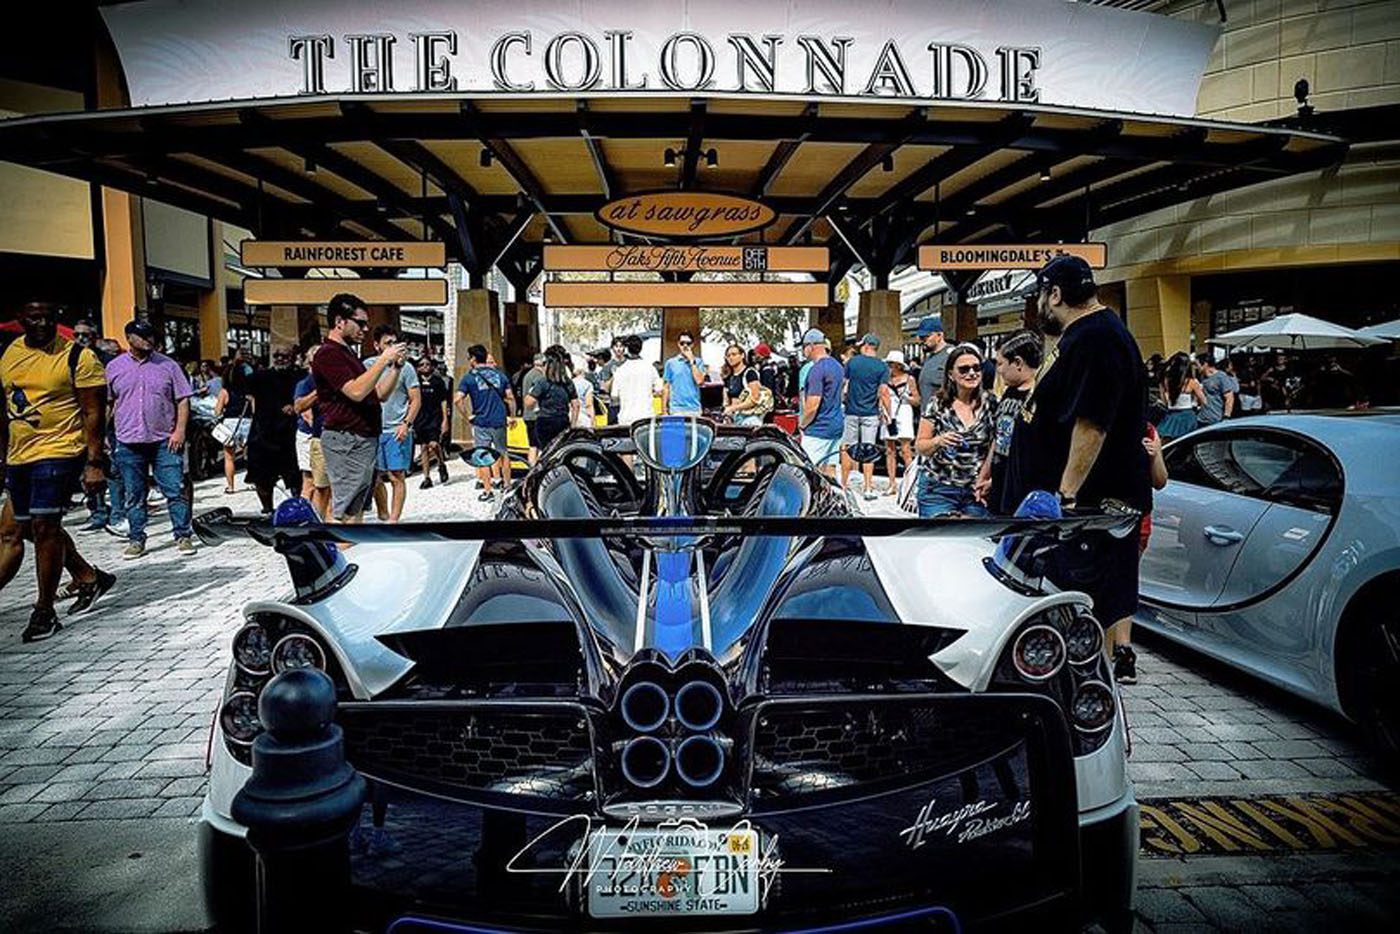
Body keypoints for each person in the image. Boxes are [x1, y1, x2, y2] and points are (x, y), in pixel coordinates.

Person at [1002, 255, 1152, 683]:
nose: (1039, 307)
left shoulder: (1097, 338)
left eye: (1040, 297)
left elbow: (1092, 424)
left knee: (1074, 620)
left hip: (1083, 515)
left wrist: (1065, 497)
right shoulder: (1085, 335)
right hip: (1070, 515)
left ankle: (1076, 696)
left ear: (1055, 294)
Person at [0, 301, 115, 641]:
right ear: (22, 319)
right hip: (20, 455)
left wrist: (95, 463)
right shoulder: (10, 354)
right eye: (34, 317)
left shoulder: (79, 357)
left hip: (61, 450)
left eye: (49, 317)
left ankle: (44, 611)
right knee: (13, 530)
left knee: (44, 526)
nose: (43, 323)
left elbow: (94, 412)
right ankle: (87, 576)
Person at [106, 318, 197, 558]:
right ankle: (137, 539)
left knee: (175, 489)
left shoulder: (168, 366)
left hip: (164, 440)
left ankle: (183, 535)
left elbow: (183, 400)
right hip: (127, 440)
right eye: (143, 336)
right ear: (129, 338)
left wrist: (180, 431)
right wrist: (105, 435)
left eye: (152, 336)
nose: (149, 340)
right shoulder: (114, 367)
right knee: (134, 494)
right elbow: (109, 402)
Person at [311, 293, 406, 524]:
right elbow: (355, 391)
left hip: (360, 440)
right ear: (339, 321)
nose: (365, 329)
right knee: (347, 515)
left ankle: (347, 554)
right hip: (347, 440)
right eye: (360, 323)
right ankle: (340, 555)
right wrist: (383, 359)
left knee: (355, 510)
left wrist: (394, 368)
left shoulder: (347, 354)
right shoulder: (328, 354)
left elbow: (378, 395)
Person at [1111, 422, 1170, 684]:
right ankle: (1109, 651)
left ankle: (1122, 651)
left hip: (1136, 519)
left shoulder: (1147, 430)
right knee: (1107, 585)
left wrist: (1155, 454)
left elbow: (1160, 481)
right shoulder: (1099, 422)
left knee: (1124, 583)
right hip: (1103, 515)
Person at [915, 344, 996, 517]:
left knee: (976, 543)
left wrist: (988, 478)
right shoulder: (937, 403)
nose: (972, 373)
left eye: (976, 368)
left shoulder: (991, 403)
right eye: (964, 369)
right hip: (938, 490)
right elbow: (920, 446)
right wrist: (938, 441)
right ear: (951, 374)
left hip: (976, 492)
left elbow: (996, 444)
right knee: (938, 542)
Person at [980, 330, 1042, 514]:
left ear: (1017, 363)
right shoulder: (1009, 392)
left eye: (1000, 363)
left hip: (1022, 490)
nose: (997, 370)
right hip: (1000, 484)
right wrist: (986, 473)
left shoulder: (1039, 398)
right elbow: (999, 438)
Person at [364, 324, 420, 523]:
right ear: (377, 345)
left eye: (395, 343)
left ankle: (394, 519)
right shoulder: (367, 365)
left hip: (396, 429)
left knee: (397, 476)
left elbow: (415, 399)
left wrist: (406, 423)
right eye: (388, 343)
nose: (393, 347)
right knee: (374, 476)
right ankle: (383, 513)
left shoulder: (407, 368)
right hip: (373, 430)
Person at [244, 345, 304, 515]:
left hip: (291, 435)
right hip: (263, 434)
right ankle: (268, 510)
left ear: (292, 357)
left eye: (284, 356)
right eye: (276, 355)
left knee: (296, 478)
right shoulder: (260, 377)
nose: (279, 359)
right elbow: (240, 383)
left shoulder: (300, 376)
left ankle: (299, 509)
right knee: (261, 478)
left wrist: (296, 406)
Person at [455, 343, 515, 501]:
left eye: (469, 358)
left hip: (481, 421)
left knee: (482, 456)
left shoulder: (469, 378)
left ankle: (488, 491)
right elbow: (510, 398)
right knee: (503, 453)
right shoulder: (500, 376)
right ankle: (507, 486)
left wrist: (467, 416)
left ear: (473, 359)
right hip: (499, 420)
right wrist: (513, 416)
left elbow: (457, 399)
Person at [841, 333, 892, 499]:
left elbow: (844, 385)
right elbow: (884, 392)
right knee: (868, 450)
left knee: (848, 447)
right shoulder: (882, 366)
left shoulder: (852, 362)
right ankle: (868, 487)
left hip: (851, 411)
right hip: (870, 413)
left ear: (867, 345)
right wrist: (888, 414)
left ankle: (843, 484)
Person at [797, 328, 844, 479]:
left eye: (803, 347)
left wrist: (802, 424)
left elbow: (812, 406)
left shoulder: (816, 369)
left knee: (806, 471)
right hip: (836, 424)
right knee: (830, 468)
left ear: (811, 346)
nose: (803, 351)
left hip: (818, 429)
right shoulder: (837, 366)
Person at [292, 347, 330, 519]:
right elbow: (302, 410)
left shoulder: (329, 379)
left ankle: (323, 518)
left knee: (325, 486)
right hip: (309, 437)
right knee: (310, 481)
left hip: (323, 436)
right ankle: (306, 517)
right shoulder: (306, 383)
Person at [526, 345, 579, 450]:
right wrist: (573, 425)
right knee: (561, 449)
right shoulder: (568, 382)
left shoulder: (542, 382)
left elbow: (529, 403)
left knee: (546, 451)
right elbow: (576, 405)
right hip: (562, 420)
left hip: (545, 421)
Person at [882, 350, 917, 497]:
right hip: (888, 414)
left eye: (891, 364)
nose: (889, 367)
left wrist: (906, 398)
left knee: (906, 450)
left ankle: (910, 483)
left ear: (898, 365)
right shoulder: (885, 379)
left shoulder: (909, 379)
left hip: (903, 412)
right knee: (890, 450)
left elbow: (917, 400)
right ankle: (892, 484)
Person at [412, 356, 450, 489]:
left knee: (434, 444)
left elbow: (443, 401)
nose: (425, 366)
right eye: (422, 364)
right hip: (420, 418)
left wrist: (445, 419)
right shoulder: (415, 381)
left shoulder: (438, 381)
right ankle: (427, 477)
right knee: (423, 447)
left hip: (435, 417)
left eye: (427, 364)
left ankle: (441, 463)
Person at [213, 362, 251, 494]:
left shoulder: (224, 392)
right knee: (249, 455)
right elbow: (255, 409)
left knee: (229, 457)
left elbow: (217, 411)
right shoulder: (248, 392)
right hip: (247, 422)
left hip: (230, 424)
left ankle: (231, 486)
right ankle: (251, 480)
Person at [612, 335, 658, 428]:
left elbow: (614, 395)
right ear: (641, 348)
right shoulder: (650, 368)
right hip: (646, 417)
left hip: (626, 419)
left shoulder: (620, 370)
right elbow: (658, 389)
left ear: (627, 349)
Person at [1157, 353, 1203, 440]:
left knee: (1169, 443)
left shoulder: (1166, 381)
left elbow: (1165, 401)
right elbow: (1204, 401)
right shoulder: (1192, 382)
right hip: (1188, 416)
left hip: (1171, 416)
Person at [662, 331, 705, 415]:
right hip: (676, 408)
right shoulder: (670, 363)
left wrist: (692, 361)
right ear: (678, 344)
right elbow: (666, 387)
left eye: (688, 343)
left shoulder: (698, 362)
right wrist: (664, 410)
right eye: (682, 343)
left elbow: (699, 381)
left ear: (692, 345)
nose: (685, 346)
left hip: (694, 408)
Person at [720, 344, 764, 426]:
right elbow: (726, 400)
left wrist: (733, 408)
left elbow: (755, 399)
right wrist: (727, 412)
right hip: (734, 418)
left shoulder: (750, 373)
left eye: (734, 354)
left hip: (749, 418)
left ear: (742, 355)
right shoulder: (728, 377)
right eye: (728, 355)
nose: (730, 357)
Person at [914, 316, 950, 412]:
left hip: (942, 417)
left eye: (926, 337)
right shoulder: (929, 358)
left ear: (939, 335)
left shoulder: (951, 356)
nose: (922, 341)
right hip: (927, 416)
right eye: (921, 337)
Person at [520, 353, 546, 465]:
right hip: (536, 415)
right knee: (541, 446)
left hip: (528, 415)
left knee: (532, 445)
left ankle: (531, 467)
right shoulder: (539, 377)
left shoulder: (528, 375)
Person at [1197, 354, 1237, 426]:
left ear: (1205, 364)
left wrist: (1226, 417)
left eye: (1198, 364)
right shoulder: (1203, 377)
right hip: (1202, 418)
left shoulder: (1221, 377)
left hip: (1216, 419)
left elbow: (1230, 398)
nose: (1197, 367)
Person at [571, 355, 596, 429]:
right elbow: (589, 405)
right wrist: (593, 421)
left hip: (571, 416)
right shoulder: (587, 385)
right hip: (584, 418)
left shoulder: (569, 383)